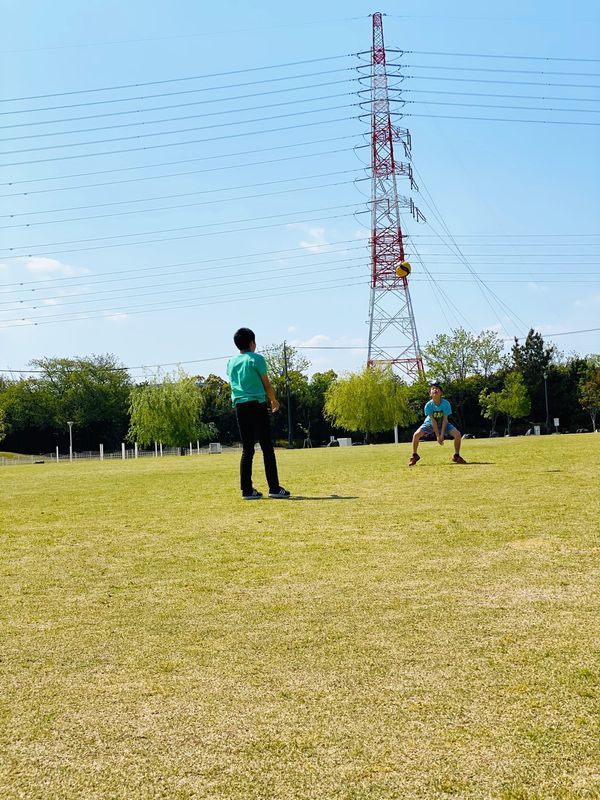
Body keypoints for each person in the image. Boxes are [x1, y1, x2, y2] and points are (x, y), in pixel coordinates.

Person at [227, 328, 290, 499]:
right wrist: (274, 400)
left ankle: (247, 490)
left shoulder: (231, 362)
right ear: (251, 343)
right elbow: (266, 384)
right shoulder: (257, 359)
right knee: (267, 448)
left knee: (247, 450)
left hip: (240, 406)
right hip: (256, 405)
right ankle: (274, 488)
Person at [409, 382, 467, 466]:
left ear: (441, 393)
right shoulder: (428, 405)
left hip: (444, 423)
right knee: (416, 435)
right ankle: (414, 455)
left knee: (457, 434)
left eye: (437, 389)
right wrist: (437, 436)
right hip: (430, 423)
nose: (435, 390)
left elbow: (445, 420)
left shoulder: (446, 404)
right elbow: (433, 421)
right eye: (433, 389)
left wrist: (442, 434)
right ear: (430, 394)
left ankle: (456, 456)